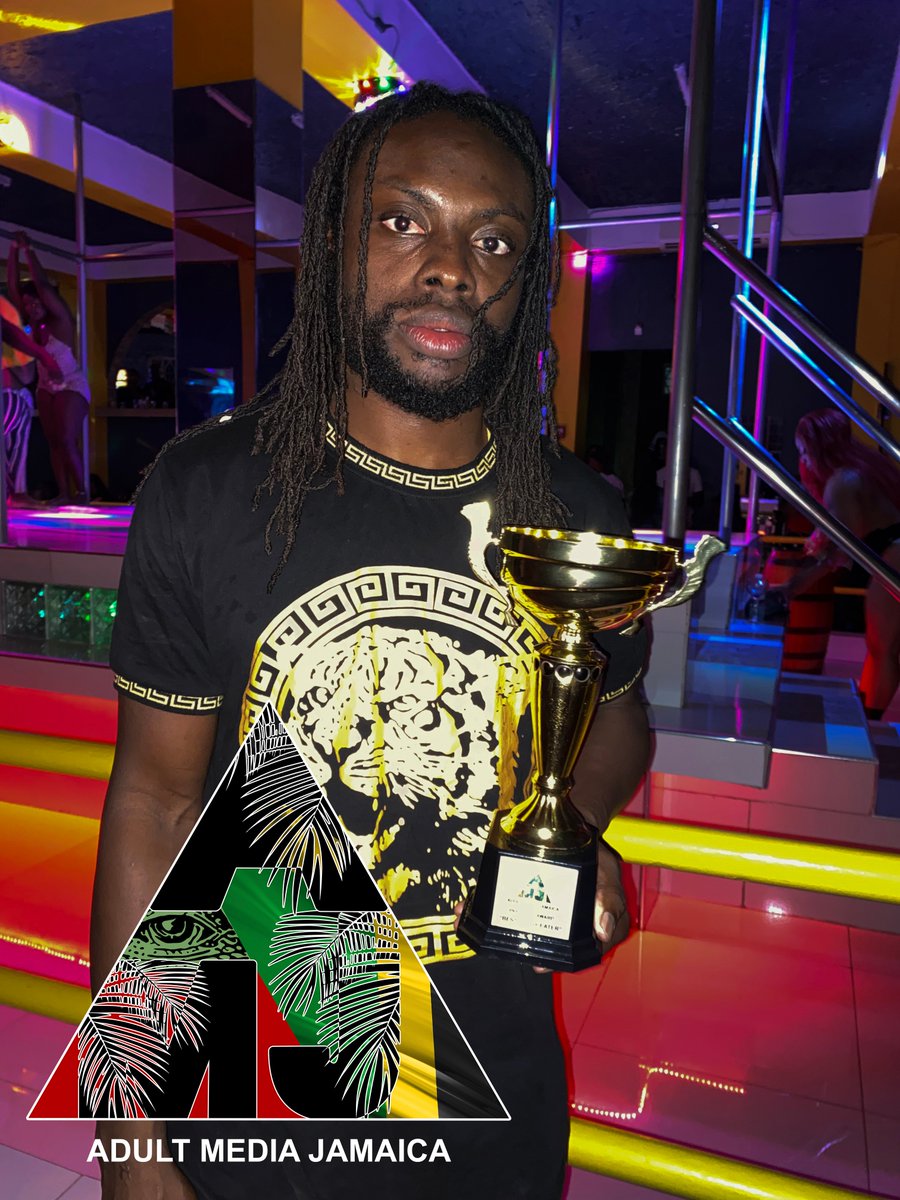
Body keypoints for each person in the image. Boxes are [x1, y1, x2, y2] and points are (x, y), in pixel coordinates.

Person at [95, 83, 651, 1200]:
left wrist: (567, 827)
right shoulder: (207, 492)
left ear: (525, 281)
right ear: (332, 244)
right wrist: (135, 1139)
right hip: (254, 1085)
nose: (451, 268)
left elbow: (617, 724)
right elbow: (153, 802)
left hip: (487, 1112)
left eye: (492, 240)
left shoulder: (579, 517)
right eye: (403, 221)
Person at [777, 407, 900, 718]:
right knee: (881, 645)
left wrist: (798, 583)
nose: (804, 460)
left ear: (820, 447)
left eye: (805, 451)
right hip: (892, 552)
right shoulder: (860, 471)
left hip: (895, 554)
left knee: (883, 647)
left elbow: (844, 548)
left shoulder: (842, 481)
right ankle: (868, 712)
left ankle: (871, 720)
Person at [6, 231, 90, 504]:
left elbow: (41, 285)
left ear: (46, 301)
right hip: (45, 384)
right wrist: (12, 251)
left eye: (36, 302)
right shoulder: (32, 325)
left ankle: (82, 492)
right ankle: (64, 493)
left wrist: (28, 250)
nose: (32, 306)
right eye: (28, 304)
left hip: (70, 382)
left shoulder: (61, 320)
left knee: (66, 439)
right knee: (53, 441)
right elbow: (13, 287)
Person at [1, 293, 63, 499]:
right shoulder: (16, 336)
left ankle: (15, 493)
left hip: (13, 398)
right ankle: (17, 493)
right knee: (15, 448)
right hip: (12, 397)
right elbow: (26, 376)